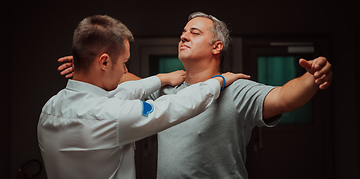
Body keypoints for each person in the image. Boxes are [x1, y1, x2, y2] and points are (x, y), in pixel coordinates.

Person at [58, 12, 332, 179]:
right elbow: (126, 80)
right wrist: (91, 64)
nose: (183, 36)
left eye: (194, 32)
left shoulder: (235, 89)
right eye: (183, 32)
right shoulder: (168, 94)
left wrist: (312, 77)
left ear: (217, 46)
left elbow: (285, 97)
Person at [38, 15, 247, 179]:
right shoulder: (111, 115)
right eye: (123, 63)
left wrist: (162, 78)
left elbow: (123, 92)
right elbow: (177, 105)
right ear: (103, 62)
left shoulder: (50, 107)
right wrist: (218, 81)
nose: (124, 71)